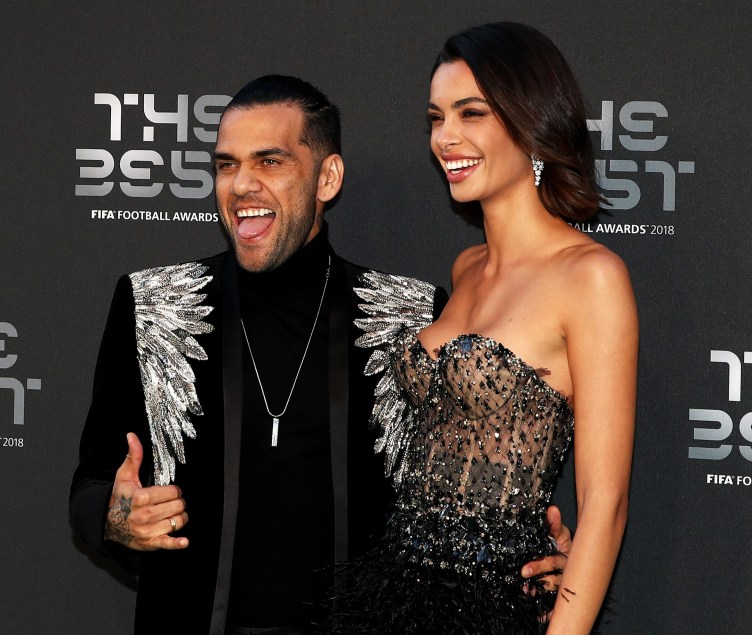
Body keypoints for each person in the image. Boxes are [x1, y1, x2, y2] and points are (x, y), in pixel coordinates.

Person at [69, 74, 572, 635]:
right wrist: (118, 519)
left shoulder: (410, 317)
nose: (241, 185)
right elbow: (89, 489)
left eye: (270, 162)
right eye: (226, 165)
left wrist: (520, 562)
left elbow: (459, 491)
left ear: (327, 177)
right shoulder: (152, 308)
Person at [330, 23, 638, 635]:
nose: (446, 138)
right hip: (396, 592)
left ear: (533, 122)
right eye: (436, 117)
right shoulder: (466, 269)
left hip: (494, 609)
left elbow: (605, 504)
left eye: (470, 113)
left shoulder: (592, 277)